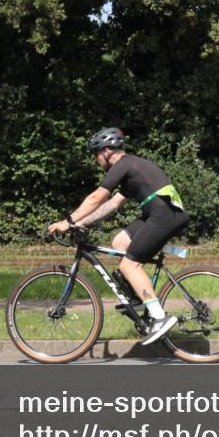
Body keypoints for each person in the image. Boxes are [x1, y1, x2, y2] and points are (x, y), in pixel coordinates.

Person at [48, 128, 189, 345]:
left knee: (130, 266)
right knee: (119, 242)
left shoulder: (123, 164)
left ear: (106, 151)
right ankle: (137, 297)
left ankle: (159, 317)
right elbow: (111, 204)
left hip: (165, 215)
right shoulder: (131, 169)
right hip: (160, 213)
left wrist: (68, 222)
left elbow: (97, 197)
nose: (96, 160)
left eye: (96, 154)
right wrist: (81, 223)